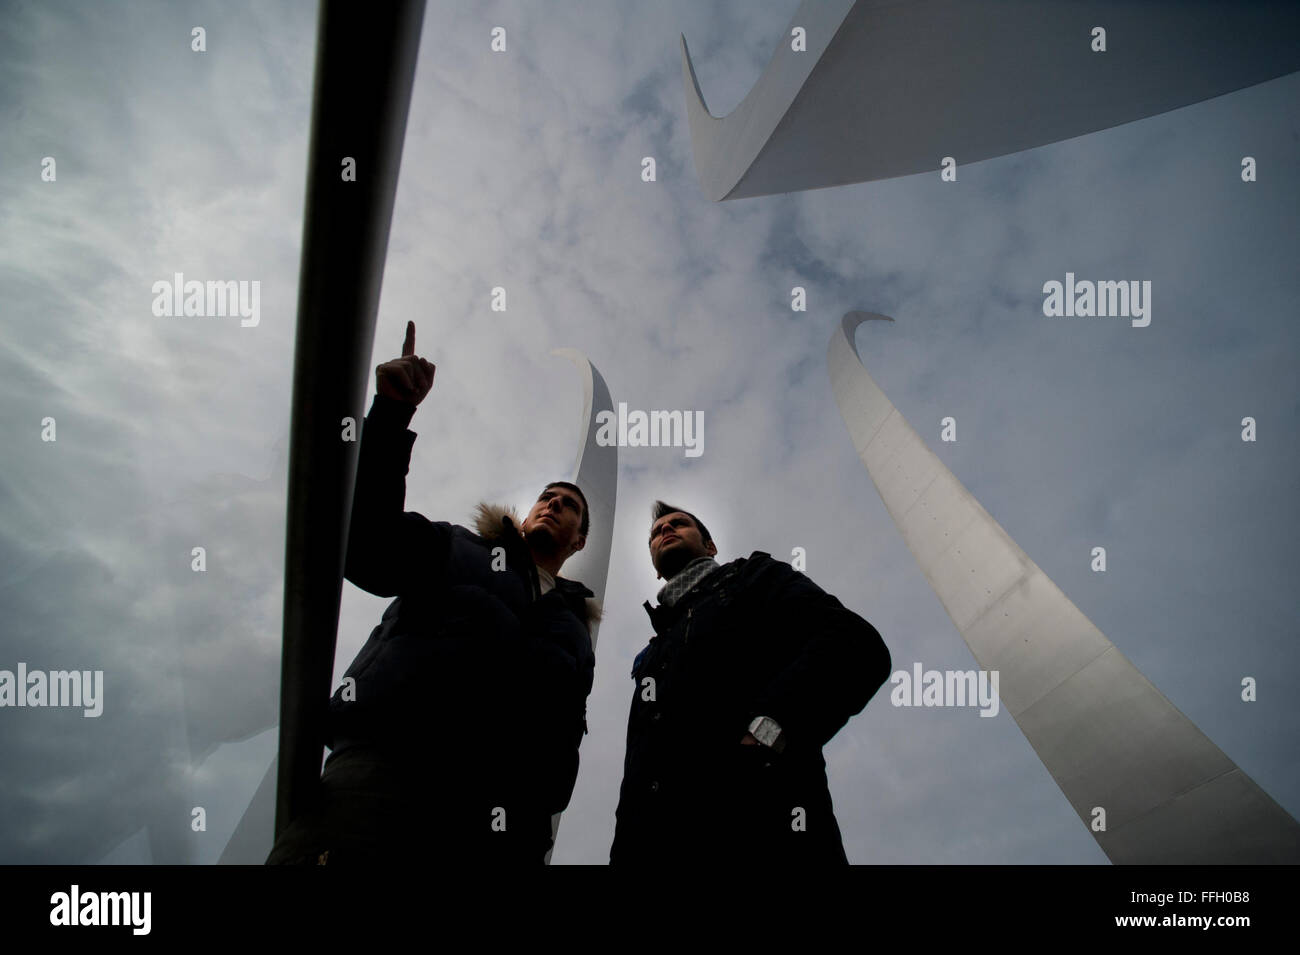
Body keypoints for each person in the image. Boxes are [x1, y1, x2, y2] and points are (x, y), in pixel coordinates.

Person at [267, 321, 598, 865]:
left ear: (580, 538)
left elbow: (565, 737)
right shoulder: (460, 548)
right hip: (382, 782)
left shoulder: (575, 633)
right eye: (548, 496)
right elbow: (365, 548)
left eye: (570, 505)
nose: (555, 504)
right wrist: (392, 417)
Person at [610, 501, 890, 865]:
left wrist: (767, 733)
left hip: (765, 836)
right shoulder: (651, 654)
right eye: (655, 533)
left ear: (710, 546)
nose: (664, 530)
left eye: (678, 523)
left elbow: (852, 643)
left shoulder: (754, 579)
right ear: (652, 563)